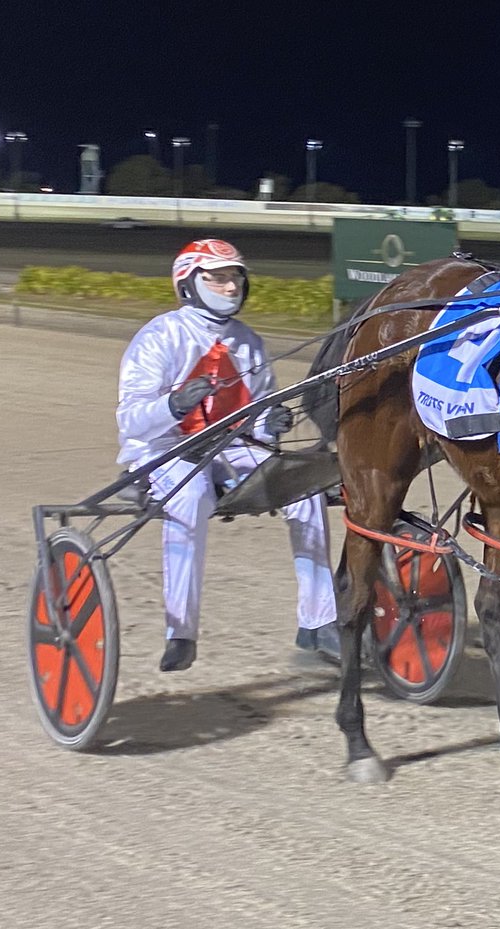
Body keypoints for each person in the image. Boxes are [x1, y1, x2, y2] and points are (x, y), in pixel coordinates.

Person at [116, 238, 340, 671]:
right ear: (188, 284)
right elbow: (131, 421)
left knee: (303, 488)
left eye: (235, 277)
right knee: (192, 494)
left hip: (232, 449)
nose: (230, 286)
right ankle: (180, 632)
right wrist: (175, 405)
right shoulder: (159, 337)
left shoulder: (249, 342)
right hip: (164, 451)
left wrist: (267, 423)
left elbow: (254, 416)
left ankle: (319, 622)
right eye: (217, 278)